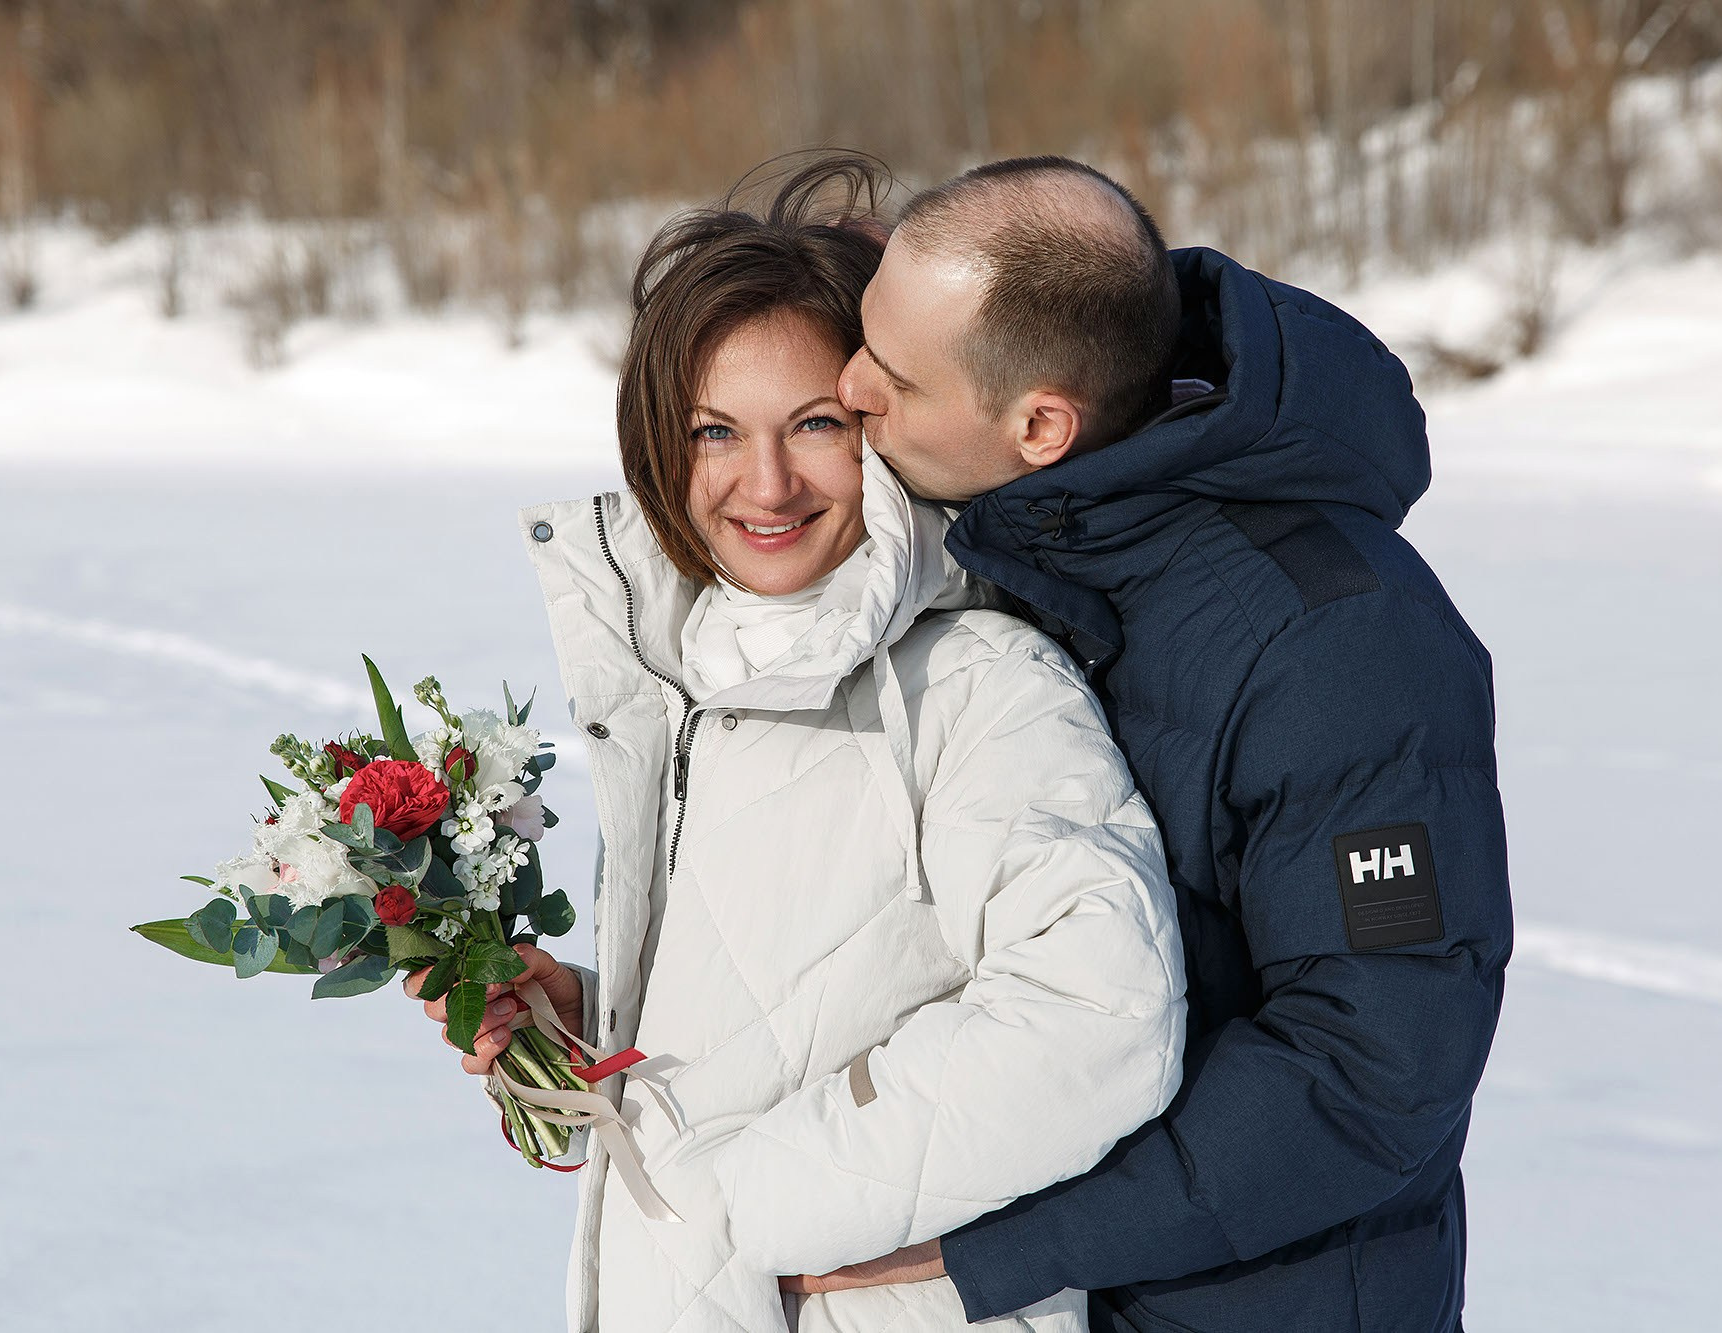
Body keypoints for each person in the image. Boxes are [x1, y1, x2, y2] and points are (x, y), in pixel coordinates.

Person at [409, 156, 1188, 1332]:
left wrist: (735, 1204)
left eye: (812, 423)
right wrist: (586, 1022)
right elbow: (786, 996)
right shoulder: (686, 683)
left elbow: (1098, 1020)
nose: (762, 481)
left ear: (877, 420)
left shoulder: (976, 679)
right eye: (714, 429)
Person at [790, 157, 1514, 1331]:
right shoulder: (997, 546)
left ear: (1039, 422)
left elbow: (1373, 1069)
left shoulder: (1338, 646)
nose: (848, 384)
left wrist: (1010, 1246)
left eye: (892, 374)